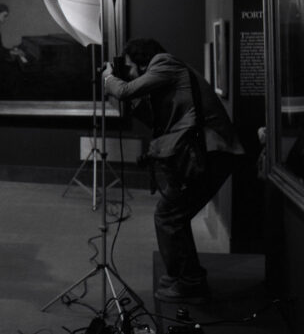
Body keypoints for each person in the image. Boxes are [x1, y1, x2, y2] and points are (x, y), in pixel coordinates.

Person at [102, 38, 245, 304]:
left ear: (144, 60)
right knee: (172, 215)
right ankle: (183, 277)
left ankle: (190, 283)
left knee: (170, 215)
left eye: (132, 66)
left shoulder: (164, 63)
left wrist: (109, 79)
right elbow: (155, 119)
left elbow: (125, 91)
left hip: (211, 154)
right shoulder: (167, 74)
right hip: (208, 154)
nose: (131, 73)